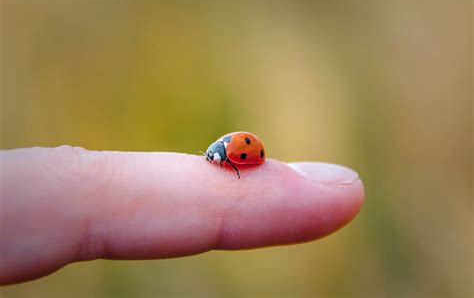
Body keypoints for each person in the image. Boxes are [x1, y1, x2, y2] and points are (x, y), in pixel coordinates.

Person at [0, 146, 364, 285]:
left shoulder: (230, 152)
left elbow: (245, 157)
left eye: (214, 159)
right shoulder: (224, 151)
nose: (213, 162)